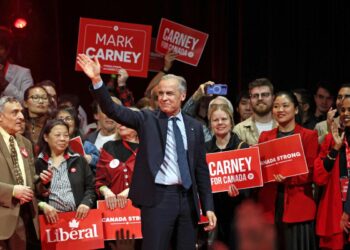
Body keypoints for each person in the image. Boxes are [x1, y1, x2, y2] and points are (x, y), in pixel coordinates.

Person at [77, 53, 216, 250]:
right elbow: (113, 110)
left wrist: (208, 206)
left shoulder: (194, 126)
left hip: (188, 200)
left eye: (169, 93)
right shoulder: (147, 119)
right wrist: (97, 80)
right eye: (160, 94)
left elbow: (201, 169)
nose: (164, 98)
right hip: (158, 199)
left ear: (183, 96)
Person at [257, 91, 318, 250]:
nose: (280, 110)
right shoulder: (265, 137)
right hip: (270, 206)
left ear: (296, 109)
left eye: (285, 106)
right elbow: (261, 168)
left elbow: (311, 172)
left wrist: (288, 178)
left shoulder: (308, 136)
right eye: (276, 106)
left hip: (298, 208)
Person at [35, 119, 96, 224]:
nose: (63, 139)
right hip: (50, 222)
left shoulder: (78, 160)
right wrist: (43, 206)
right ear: (46, 137)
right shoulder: (38, 163)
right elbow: (32, 195)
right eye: (57, 135)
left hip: (80, 219)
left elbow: (91, 188)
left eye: (66, 135)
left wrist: (86, 203)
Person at [205, 103, 249, 249]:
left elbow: (250, 184)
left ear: (231, 121)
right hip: (213, 211)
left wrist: (240, 190)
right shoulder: (204, 149)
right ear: (210, 123)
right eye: (215, 120)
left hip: (237, 211)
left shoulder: (242, 147)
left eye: (224, 119)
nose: (220, 123)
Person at [0, 96, 39, 249]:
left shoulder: (25, 143)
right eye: (15, 113)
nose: (22, 117)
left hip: (26, 218)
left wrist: (41, 182)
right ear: (1, 117)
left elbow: (29, 178)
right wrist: (12, 191)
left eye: (21, 112)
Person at [314, 96, 350, 250]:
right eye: (342, 110)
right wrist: (335, 149)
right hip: (335, 211)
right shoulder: (331, 139)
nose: (346, 113)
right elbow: (319, 178)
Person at [95, 107, 140, 209]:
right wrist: (105, 191)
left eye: (126, 120)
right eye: (120, 120)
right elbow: (99, 182)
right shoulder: (109, 147)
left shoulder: (148, 148)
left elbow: (151, 181)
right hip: (114, 210)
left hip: (141, 208)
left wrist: (130, 191)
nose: (121, 123)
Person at [55, 106, 99, 173]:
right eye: (60, 119)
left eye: (68, 119)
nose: (64, 122)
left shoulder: (86, 146)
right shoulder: (51, 145)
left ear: (75, 123)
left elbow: (102, 164)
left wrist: (89, 159)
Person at [233, 78, 277, 146]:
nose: (260, 98)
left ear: (273, 98)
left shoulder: (283, 125)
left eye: (264, 95)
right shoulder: (239, 130)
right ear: (250, 100)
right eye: (255, 96)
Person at [0, 27, 33, 101]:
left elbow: (27, 102)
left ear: (7, 51)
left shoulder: (23, 73)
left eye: (0, 48)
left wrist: (5, 85)